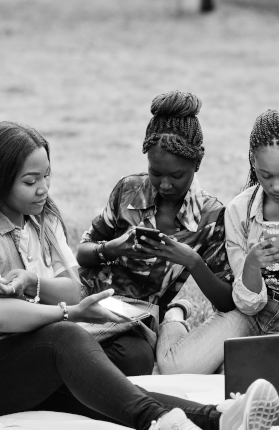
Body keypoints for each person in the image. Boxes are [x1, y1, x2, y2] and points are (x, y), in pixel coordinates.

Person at [0, 121, 279, 430]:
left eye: (46, 177)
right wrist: (68, 314)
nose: (43, 189)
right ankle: (161, 428)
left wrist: (34, 283)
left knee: (109, 391)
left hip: (21, 365)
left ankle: (217, 420)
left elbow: (72, 286)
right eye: (30, 181)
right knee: (64, 339)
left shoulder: (43, 221)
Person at [154, 109, 279, 374]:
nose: (277, 186)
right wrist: (252, 265)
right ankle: (175, 316)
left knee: (277, 375)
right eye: (265, 175)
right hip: (253, 318)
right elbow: (248, 304)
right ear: (253, 162)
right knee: (176, 368)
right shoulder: (238, 211)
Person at [75, 92, 235, 377]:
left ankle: (175, 312)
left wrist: (192, 261)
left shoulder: (211, 216)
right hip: (90, 298)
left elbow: (227, 302)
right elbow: (83, 253)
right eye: (155, 172)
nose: (165, 184)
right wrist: (114, 248)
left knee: (133, 360)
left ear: (197, 164)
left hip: (137, 318)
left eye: (177, 175)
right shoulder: (128, 190)